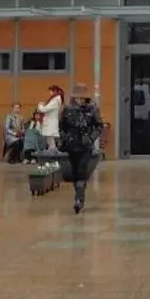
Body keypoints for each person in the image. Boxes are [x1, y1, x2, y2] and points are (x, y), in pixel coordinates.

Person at [59, 84, 106, 214]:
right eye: (77, 97)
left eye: (82, 98)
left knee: (82, 169)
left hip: (86, 145)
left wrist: (91, 138)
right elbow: (62, 126)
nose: (79, 100)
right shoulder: (67, 109)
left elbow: (99, 125)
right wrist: (65, 137)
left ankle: (78, 199)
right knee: (75, 172)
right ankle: (79, 195)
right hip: (71, 145)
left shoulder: (92, 109)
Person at [36, 86, 65, 153]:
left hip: (51, 121)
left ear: (54, 91)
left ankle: (53, 149)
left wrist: (40, 105)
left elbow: (45, 109)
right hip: (50, 120)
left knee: (50, 136)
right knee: (49, 136)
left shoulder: (56, 99)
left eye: (50, 91)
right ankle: (51, 149)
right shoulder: (56, 99)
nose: (50, 93)